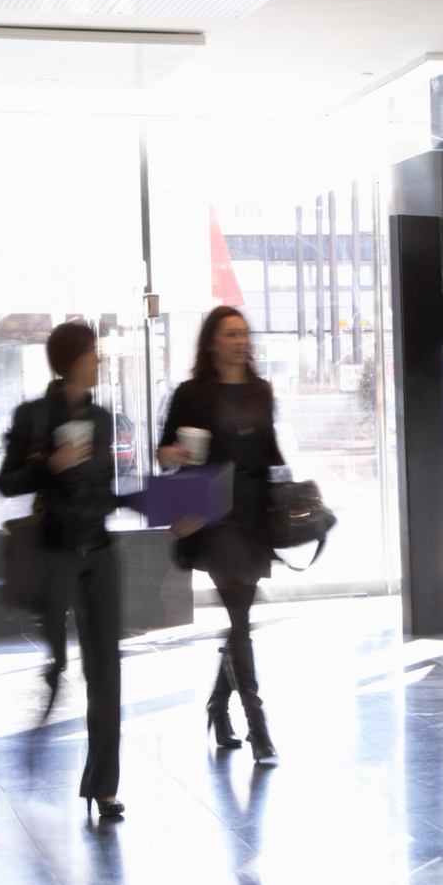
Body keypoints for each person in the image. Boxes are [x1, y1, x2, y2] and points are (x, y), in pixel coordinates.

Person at [0, 321, 125, 819]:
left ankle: (104, 785)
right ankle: (49, 686)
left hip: (99, 549)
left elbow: (108, 489)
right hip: (53, 550)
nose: (98, 361)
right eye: (93, 353)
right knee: (60, 664)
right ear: (71, 359)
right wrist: (50, 465)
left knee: (106, 669)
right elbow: (6, 483)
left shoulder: (104, 419)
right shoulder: (33, 416)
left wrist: (159, 500)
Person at [160, 306, 283, 765]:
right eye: (231, 333)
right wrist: (173, 455)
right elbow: (165, 452)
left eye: (244, 333)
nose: (240, 341)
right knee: (239, 620)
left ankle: (216, 704)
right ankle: (258, 726)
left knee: (239, 619)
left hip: (253, 514)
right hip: (212, 514)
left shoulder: (261, 391)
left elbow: (272, 455)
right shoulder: (192, 394)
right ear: (212, 341)